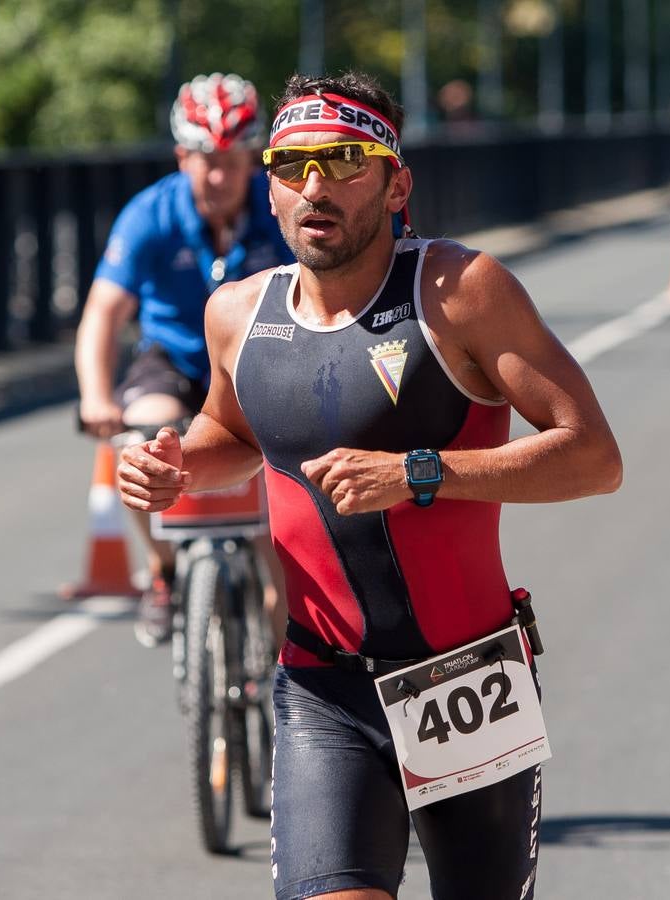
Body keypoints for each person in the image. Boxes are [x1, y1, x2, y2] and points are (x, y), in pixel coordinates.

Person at [117, 71, 622, 900]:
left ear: (396, 184)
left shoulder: (459, 293)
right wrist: (174, 466)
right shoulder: (237, 313)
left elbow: (593, 456)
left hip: (464, 678)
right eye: (290, 165)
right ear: (269, 188)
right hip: (323, 686)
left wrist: (420, 473)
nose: (315, 186)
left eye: (345, 160)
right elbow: (233, 437)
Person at [75, 72, 294, 647]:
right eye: (204, 159)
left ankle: (287, 677)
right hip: (173, 360)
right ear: (181, 157)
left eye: (234, 159)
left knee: (283, 533)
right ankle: (163, 569)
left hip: (257, 359)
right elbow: (103, 314)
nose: (218, 175)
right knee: (136, 440)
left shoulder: (280, 208)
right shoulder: (149, 214)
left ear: (255, 159)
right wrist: (97, 398)